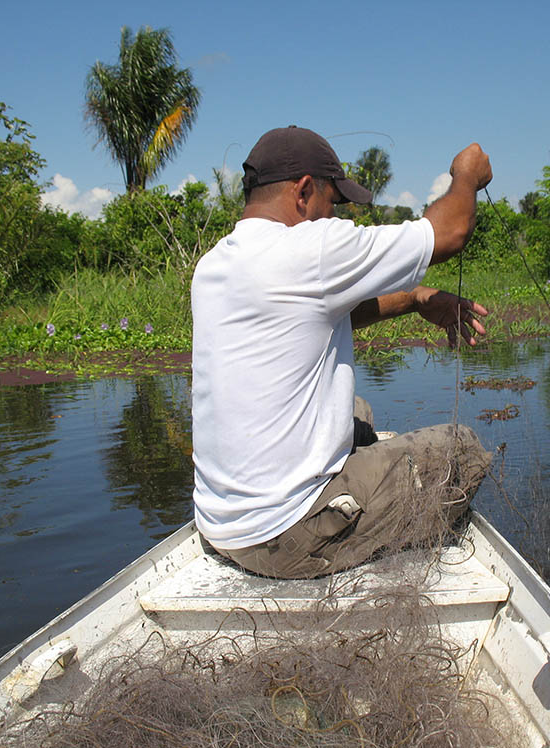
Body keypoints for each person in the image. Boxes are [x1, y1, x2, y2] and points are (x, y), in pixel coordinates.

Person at [191, 125, 493, 579]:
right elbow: (449, 231)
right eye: (332, 202)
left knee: (356, 411)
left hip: (219, 525)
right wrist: (465, 176)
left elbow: (322, 318)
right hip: (284, 536)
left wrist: (413, 299)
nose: (333, 214)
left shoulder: (216, 263)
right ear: (304, 191)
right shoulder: (311, 247)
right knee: (462, 451)